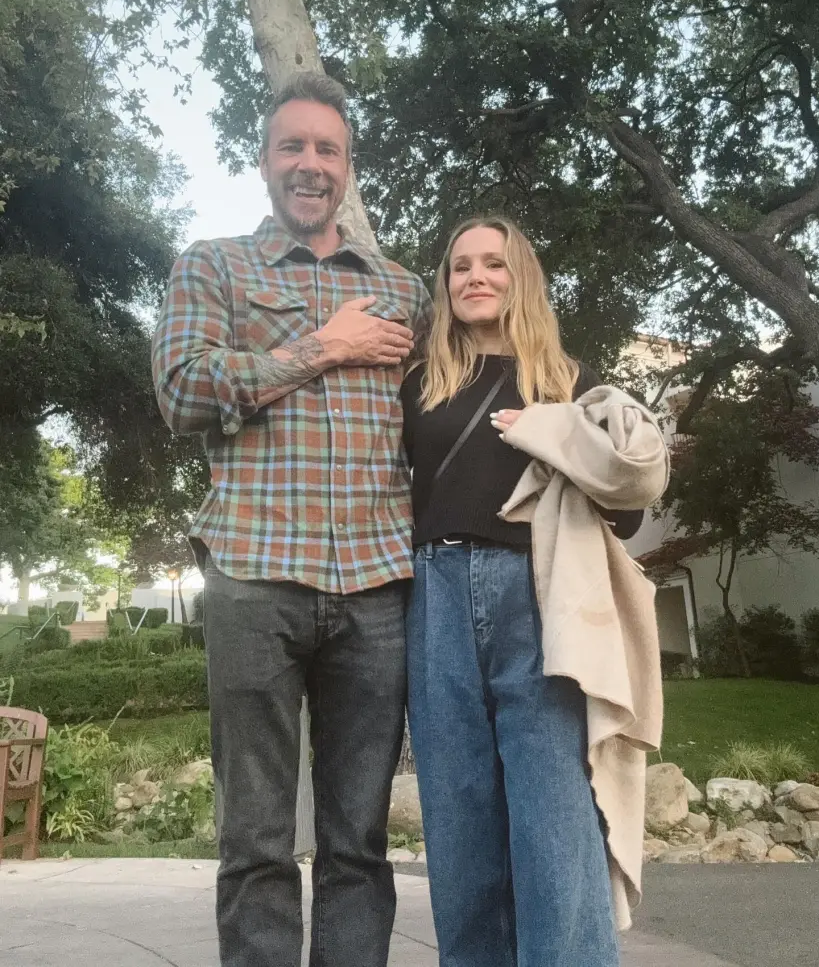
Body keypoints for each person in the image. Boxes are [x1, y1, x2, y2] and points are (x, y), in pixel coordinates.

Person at [152, 72, 431, 967]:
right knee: (257, 840)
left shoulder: (403, 288)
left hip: (379, 587)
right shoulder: (213, 263)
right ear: (264, 159)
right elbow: (182, 390)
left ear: (348, 168)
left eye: (327, 150)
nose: (310, 164)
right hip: (253, 576)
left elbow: (441, 416)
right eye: (292, 146)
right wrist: (325, 346)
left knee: (358, 842)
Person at [401, 215, 667, 967]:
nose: (474, 277)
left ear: (521, 278)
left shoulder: (566, 381)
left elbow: (628, 505)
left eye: (492, 263)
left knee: (552, 816)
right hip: (436, 594)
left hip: (538, 596)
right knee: (458, 817)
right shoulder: (421, 381)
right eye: (459, 266)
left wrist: (556, 432)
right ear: (445, 284)